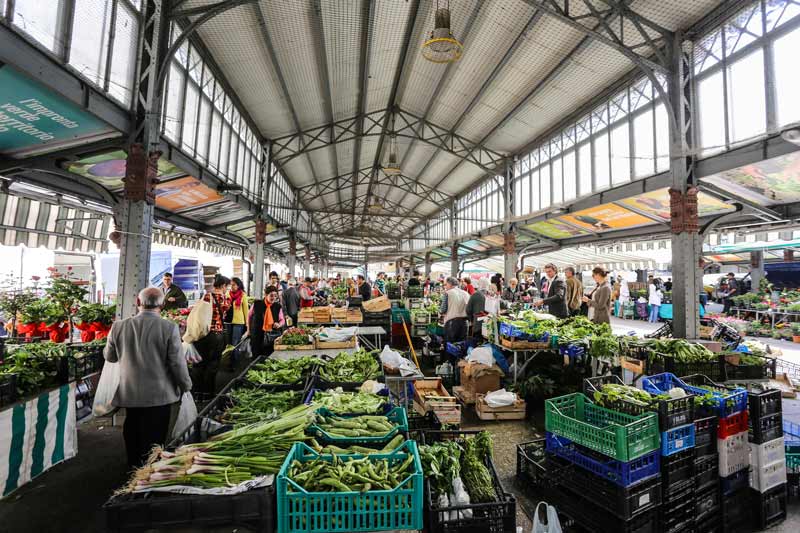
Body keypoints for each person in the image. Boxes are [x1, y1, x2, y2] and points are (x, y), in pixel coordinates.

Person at [103, 287, 192, 468]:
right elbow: (176, 363)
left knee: (133, 428)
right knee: (155, 434)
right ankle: (149, 469)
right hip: (159, 394)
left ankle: (133, 467)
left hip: (130, 392)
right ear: (162, 304)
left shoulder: (118, 326)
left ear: (138, 302)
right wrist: (186, 385)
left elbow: (109, 357)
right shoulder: (169, 328)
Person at [193, 274, 230, 395]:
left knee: (200, 363)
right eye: (226, 287)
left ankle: (197, 393)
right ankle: (208, 393)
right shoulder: (224, 299)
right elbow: (227, 310)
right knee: (212, 364)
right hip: (216, 335)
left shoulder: (206, 296)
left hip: (202, 334)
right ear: (223, 286)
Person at [225, 277, 249, 370]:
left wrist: (247, 324)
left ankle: (234, 363)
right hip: (228, 321)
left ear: (238, 285)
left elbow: (246, 311)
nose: (232, 286)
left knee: (235, 343)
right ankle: (228, 360)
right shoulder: (227, 294)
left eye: (234, 284)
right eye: (231, 284)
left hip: (239, 322)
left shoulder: (243, 295)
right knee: (228, 343)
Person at [440, 276, 470, 344]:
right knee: (461, 346)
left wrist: (440, 313)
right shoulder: (466, 293)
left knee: (450, 347)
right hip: (465, 323)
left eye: (446, 284)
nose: (445, 287)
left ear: (450, 284)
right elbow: (469, 309)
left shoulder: (448, 293)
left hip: (452, 323)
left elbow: (443, 309)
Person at [261, 286, 285, 355]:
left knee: (271, 353)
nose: (273, 298)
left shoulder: (277, 306)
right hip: (260, 335)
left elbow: (282, 320)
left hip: (273, 335)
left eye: (275, 296)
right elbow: (249, 317)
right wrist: (248, 330)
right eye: (271, 296)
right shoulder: (258, 304)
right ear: (266, 295)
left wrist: (279, 324)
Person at [466, 277, 488, 342]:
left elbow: (468, 310)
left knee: (477, 342)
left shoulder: (475, 295)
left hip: (478, 324)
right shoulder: (491, 294)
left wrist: (471, 320)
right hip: (490, 325)